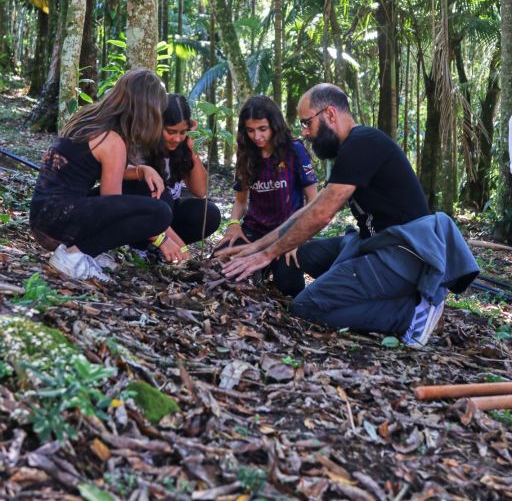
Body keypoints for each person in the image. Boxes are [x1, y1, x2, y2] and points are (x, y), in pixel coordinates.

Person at [221, 84, 479, 347]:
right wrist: (258, 247)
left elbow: (322, 215)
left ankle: (408, 315)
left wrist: (266, 255)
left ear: (330, 114)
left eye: (307, 122)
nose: (305, 132)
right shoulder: (351, 148)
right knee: (299, 256)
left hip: (400, 257)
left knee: (304, 307)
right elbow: (311, 209)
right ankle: (395, 297)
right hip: (372, 244)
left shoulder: (363, 143)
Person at [30, 68, 179, 283]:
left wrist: (141, 170)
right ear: (147, 111)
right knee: (160, 213)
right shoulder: (112, 140)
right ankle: (74, 256)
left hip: (44, 216)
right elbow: (112, 204)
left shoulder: (88, 119)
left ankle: (85, 251)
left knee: (145, 190)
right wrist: (161, 237)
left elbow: (104, 171)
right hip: (59, 222)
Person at [216, 95, 318, 296]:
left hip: (287, 232)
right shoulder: (246, 153)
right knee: (222, 268)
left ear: (274, 126)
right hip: (254, 231)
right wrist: (233, 224)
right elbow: (240, 201)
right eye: (250, 130)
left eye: (263, 129)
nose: (257, 136)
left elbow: (314, 201)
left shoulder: (294, 150)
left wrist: (298, 239)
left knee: (289, 289)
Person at [123, 93, 221, 250]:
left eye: (182, 132)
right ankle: (145, 248)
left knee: (209, 213)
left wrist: (192, 148)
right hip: (137, 213)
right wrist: (183, 250)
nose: (177, 139)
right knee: (162, 195)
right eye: (171, 132)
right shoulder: (140, 144)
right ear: (157, 125)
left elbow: (200, 190)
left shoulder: (182, 146)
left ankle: (159, 251)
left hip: (167, 214)